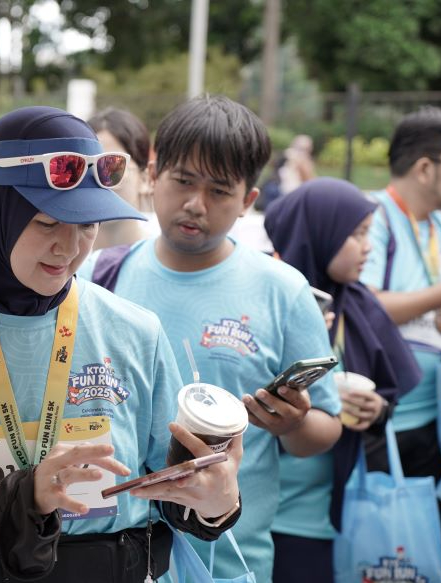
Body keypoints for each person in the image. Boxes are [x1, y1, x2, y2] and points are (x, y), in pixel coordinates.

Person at [0, 106, 244, 583]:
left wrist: (216, 503)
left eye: (87, 225)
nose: (69, 248)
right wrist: (25, 499)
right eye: (48, 223)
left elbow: (173, 494)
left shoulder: (135, 330)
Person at [80, 95, 342, 583]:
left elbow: (325, 429)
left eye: (220, 191)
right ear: (153, 176)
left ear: (248, 202)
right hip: (116, 555)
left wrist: (292, 424)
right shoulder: (100, 275)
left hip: (228, 559)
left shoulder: (283, 290)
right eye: (182, 181)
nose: (196, 204)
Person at [263, 177, 421, 583]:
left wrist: (378, 409)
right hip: (257, 506)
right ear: (319, 232)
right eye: (356, 234)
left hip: (329, 512)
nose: (367, 246)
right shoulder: (265, 294)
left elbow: (388, 387)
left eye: (368, 233)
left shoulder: (359, 304)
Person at [360, 106, 441, 583]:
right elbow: (363, 305)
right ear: (426, 167)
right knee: (391, 547)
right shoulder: (374, 216)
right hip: (390, 416)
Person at [88, 107, 160, 248]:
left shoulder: (167, 257)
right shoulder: (60, 260)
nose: (98, 180)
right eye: (88, 167)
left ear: (145, 179)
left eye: (112, 165)